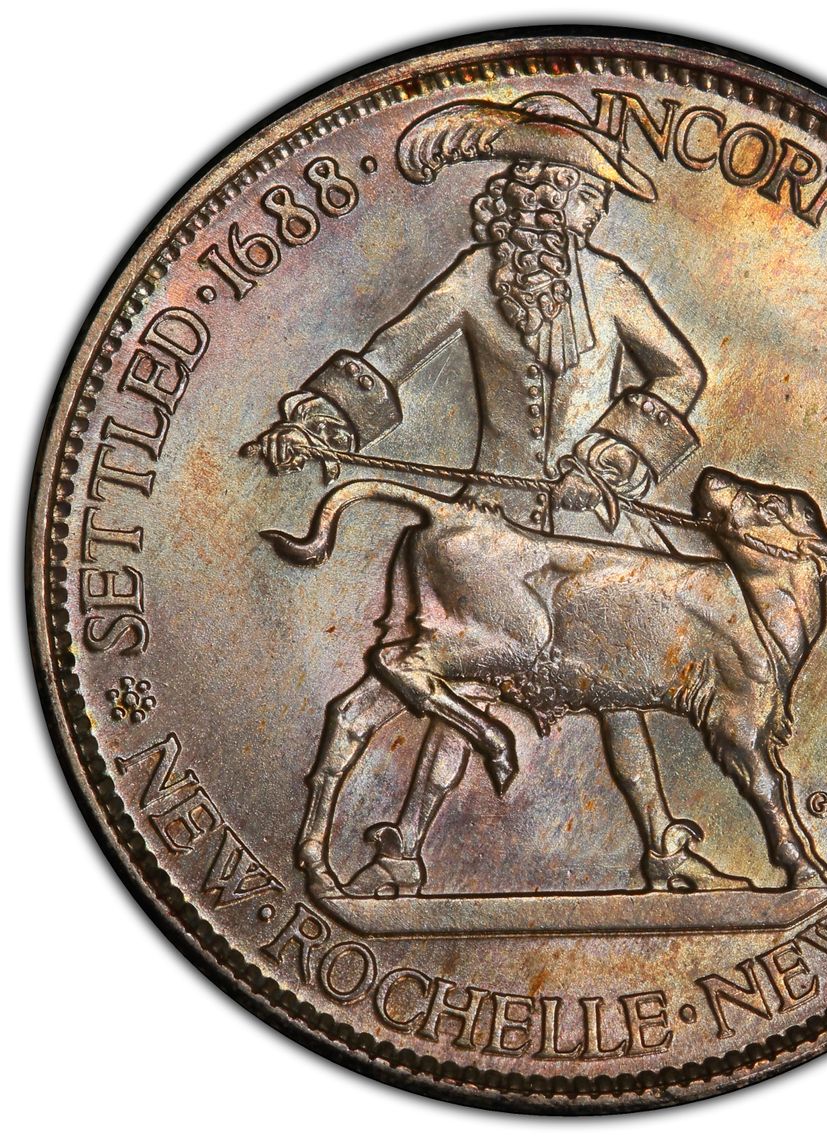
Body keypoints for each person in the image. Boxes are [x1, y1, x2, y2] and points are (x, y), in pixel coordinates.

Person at [258, 93, 745, 895]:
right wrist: (320, 419)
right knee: (469, 672)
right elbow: (393, 352)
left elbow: (681, 373)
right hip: (494, 521)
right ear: (527, 195)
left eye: (583, 196)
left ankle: (661, 846)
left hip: (595, 518)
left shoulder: (612, 284)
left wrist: (612, 456)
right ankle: (404, 849)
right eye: (557, 191)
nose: (570, 210)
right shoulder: (473, 280)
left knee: (624, 684)